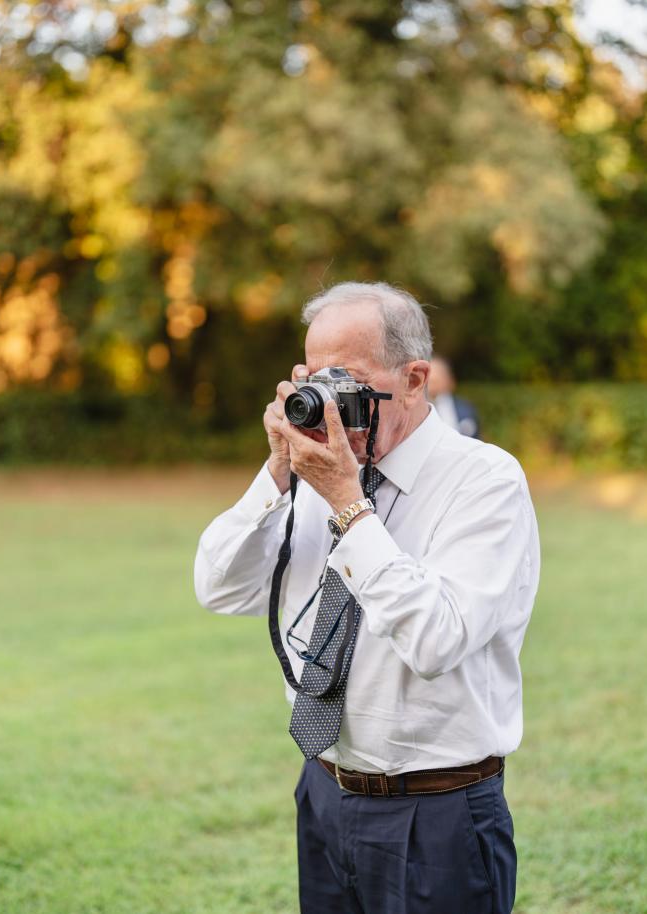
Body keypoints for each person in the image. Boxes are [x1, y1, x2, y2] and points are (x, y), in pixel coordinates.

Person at [194, 281, 540, 914]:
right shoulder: (313, 475)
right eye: (314, 380)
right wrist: (277, 472)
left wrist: (349, 505)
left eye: (347, 382)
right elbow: (219, 587)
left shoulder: (484, 479)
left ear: (414, 379)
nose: (328, 402)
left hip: (438, 812)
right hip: (324, 791)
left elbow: (436, 639)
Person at [427, 355, 481, 438]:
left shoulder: (466, 409)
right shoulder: (414, 409)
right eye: (430, 380)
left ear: (450, 380)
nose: (433, 384)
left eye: (437, 379)